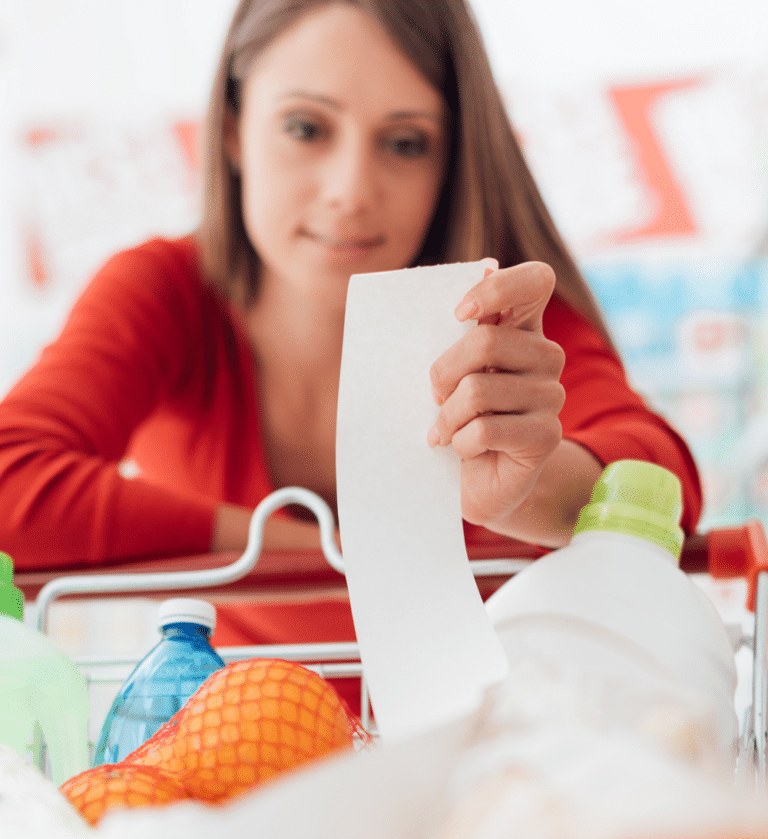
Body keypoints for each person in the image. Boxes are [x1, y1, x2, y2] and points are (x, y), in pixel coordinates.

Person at [0, 0, 701, 665]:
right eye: (306, 128)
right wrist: (298, 548)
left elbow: (664, 477)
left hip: (478, 766)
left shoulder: (498, 317)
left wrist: (528, 488)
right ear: (233, 128)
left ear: (450, 160)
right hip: (231, 764)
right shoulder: (165, 294)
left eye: (405, 142)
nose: (350, 189)